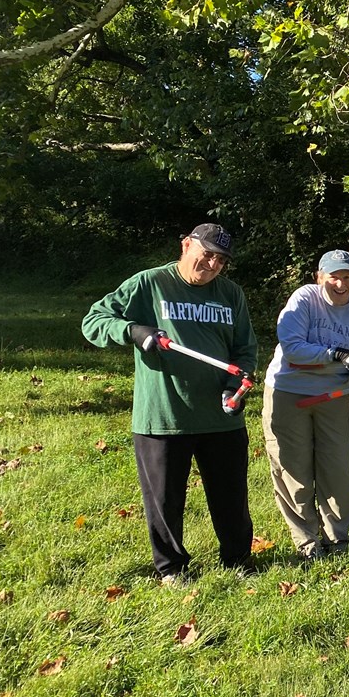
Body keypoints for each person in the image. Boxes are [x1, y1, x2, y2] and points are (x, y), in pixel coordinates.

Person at [82, 223, 257, 584]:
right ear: (186, 245)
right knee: (164, 500)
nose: (211, 264)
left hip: (221, 418)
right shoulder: (150, 284)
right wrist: (133, 331)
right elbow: (94, 321)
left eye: (220, 260)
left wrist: (234, 385)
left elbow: (245, 349)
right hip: (163, 417)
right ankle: (171, 569)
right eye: (206, 253)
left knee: (231, 497)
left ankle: (237, 560)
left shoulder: (230, 294)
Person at [262, 250, 349, 561]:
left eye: (347, 277)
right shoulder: (304, 300)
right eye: (334, 277)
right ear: (320, 277)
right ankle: (307, 542)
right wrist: (336, 354)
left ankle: (336, 537)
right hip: (288, 392)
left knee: (337, 468)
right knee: (294, 469)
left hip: (333, 396)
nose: (340, 283)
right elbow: (293, 348)